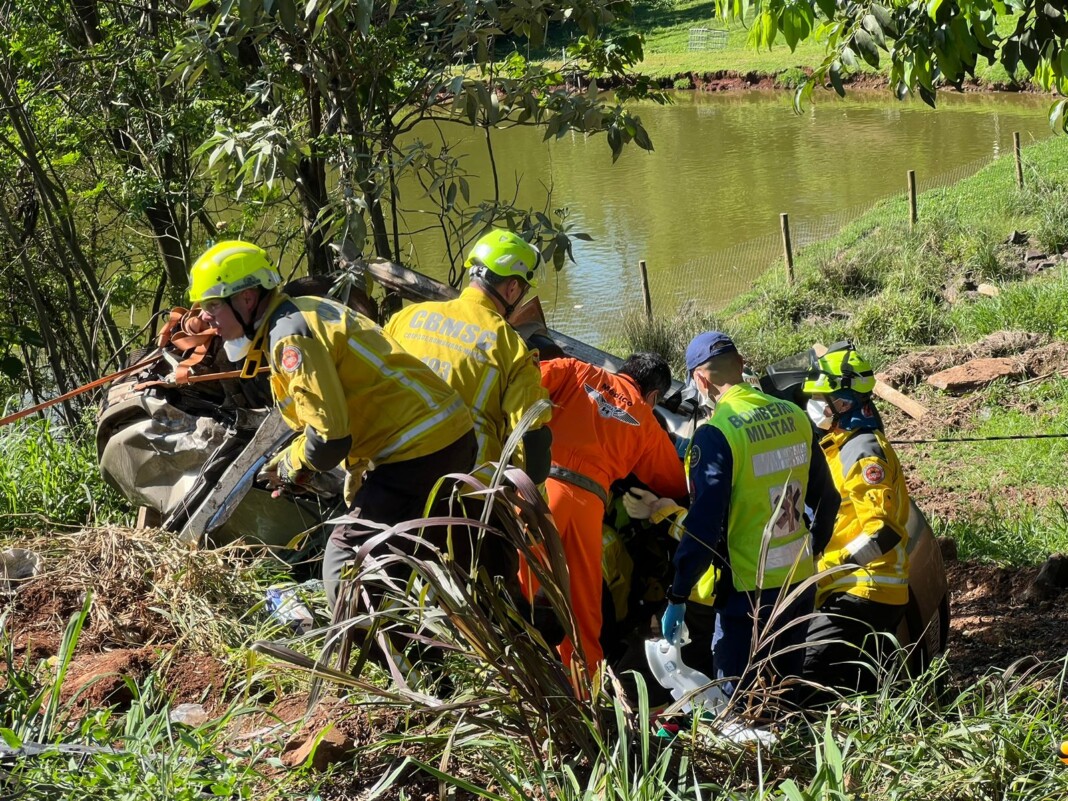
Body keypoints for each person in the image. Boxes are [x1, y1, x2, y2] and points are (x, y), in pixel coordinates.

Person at [187, 240, 476, 610]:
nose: (207, 318)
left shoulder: (289, 337)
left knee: (344, 562)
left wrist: (292, 465)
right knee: (413, 561)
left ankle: (383, 655)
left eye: (212, 305)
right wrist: (296, 462)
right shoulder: (298, 313)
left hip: (417, 450)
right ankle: (436, 654)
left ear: (246, 298)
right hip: (442, 438)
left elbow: (329, 440)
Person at [628, 332, 839, 707]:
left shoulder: (716, 434)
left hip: (748, 596)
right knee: (783, 690)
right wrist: (812, 549)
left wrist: (678, 594)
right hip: (799, 582)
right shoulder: (794, 415)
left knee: (739, 703)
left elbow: (705, 528)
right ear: (741, 366)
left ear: (700, 380)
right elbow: (828, 498)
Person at [533, 352, 688, 688]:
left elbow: (522, 384)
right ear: (653, 397)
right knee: (582, 608)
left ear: (622, 369)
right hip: (585, 506)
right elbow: (674, 484)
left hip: (536, 489)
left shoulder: (575, 369)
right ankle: (586, 692)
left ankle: (510, 672)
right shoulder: (645, 419)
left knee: (522, 588)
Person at [384, 229, 553, 488]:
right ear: (512, 288)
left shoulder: (405, 318)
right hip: (464, 499)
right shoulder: (512, 347)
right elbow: (531, 448)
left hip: (388, 480)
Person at [800, 344, 911, 698]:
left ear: (843, 402)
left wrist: (826, 567)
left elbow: (883, 532)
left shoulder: (862, 451)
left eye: (821, 397)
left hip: (863, 589)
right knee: (854, 688)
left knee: (804, 672)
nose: (814, 405)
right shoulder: (841, 445)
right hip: (855, 589)